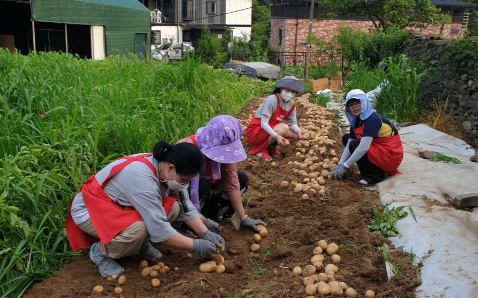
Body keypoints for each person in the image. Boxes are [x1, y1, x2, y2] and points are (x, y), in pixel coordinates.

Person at [65, 141, 225, 277]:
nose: (186, 184)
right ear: (170, 168)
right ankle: (101, 253)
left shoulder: (169, 169)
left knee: (173, 208)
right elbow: (160, 231)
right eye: (186, 180)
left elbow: (183, 204)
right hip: (91, 209)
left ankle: (140, 244)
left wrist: (204, 231)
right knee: (138, 230)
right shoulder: (142, 177)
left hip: (121, 206)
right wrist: (194, 245)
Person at [177, 115, 265, 232]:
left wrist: (242, 217)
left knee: (241, 178)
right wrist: (201, 222)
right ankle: (191, 225)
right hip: (184, 200)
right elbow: (175, 190)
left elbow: (231, 183)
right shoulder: (187, 148)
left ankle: (215, 216)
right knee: (203, 184)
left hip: (208, 195)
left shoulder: (226, 155)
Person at [329, 89, 403, 185]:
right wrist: (340, 164)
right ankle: (367, 170)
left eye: (357, 103)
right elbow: (348, 144)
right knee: (347, 138)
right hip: (378, 151)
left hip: (390, 157)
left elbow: (363, 148)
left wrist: (345, 166)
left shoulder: (372, 119)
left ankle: (375, 175)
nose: (354, 106)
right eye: (351, 105)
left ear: (364, 102)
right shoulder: (356, 121)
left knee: (355, 145)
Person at [246, 76, 305, 161]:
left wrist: (298, 130)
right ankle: (261, 150)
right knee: (284, 128)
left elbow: (292, 123)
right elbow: (264, 123)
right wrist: (276, 136)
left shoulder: (292, 104)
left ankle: (271, 147)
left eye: (292, 92)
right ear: (281, 89)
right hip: (257, 131)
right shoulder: (272, 100)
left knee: (296, 136)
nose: (290, 93)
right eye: (287, 90)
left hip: (270, 129)